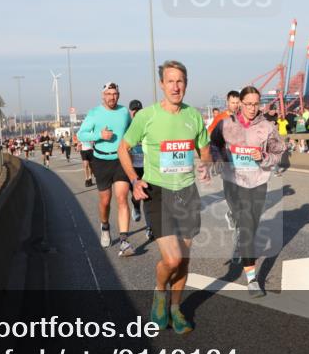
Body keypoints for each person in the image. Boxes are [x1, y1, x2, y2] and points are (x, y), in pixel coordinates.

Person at [119, 60, 211, 334]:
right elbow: (123, 148)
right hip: (157, 191)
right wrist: (134, 180)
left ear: (186, 83)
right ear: (162, 84)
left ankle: (176, 308)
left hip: (187, 192)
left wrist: (205, 163)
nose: (175, 86)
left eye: (180, 81)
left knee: (183, 259)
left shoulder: (193, 116)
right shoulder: (146, 116)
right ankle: (160, 291)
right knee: (171, 259)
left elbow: (204, 149)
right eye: (170, 81)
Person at [210, 86, 286, 297]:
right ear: (240, 104)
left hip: (257, 182)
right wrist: (217, 159)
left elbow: (279, 152)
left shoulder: (267, 127)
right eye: (248, 104)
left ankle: (236, 223)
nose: (252, 108)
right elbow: (213, 144)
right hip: (233, 181)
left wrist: (264, 158)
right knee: (246, 226)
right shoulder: (226, 124)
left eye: (256, 104)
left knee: (250, 226)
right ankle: (252, 278)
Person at [77, 82, 134, 255]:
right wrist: (99, 135)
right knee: (105, 201)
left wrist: (132, 144)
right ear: (103, 96)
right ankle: (105, 226)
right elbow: (81, 134)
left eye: (115, 93)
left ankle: (124, 240)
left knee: (122, 197)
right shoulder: (94, 113)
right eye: (108, 94)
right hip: (101, 160)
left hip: (121, 160)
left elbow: (132, 132)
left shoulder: (124, 112)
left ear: (119, 94)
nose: (112, 97)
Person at [208, 91, 241, 230]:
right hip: (225, 158)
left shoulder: (242, 117)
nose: (235, 105)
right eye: (232, 102)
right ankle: (233, 213)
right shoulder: (220, 118)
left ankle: (236, 214)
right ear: (227, 102)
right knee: (230, 189)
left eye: (237, 102)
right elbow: (210, 134)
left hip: (240, 158)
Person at [126, 99, 152, 241]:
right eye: (134, 110)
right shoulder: (127, 126)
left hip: (147, 167)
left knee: (148, 198)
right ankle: (136, 207)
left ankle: (150, 228)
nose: (136, 112)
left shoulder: (147, 124)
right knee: (137, 196)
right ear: (130, 112)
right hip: (133, 168)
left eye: (138, 110)